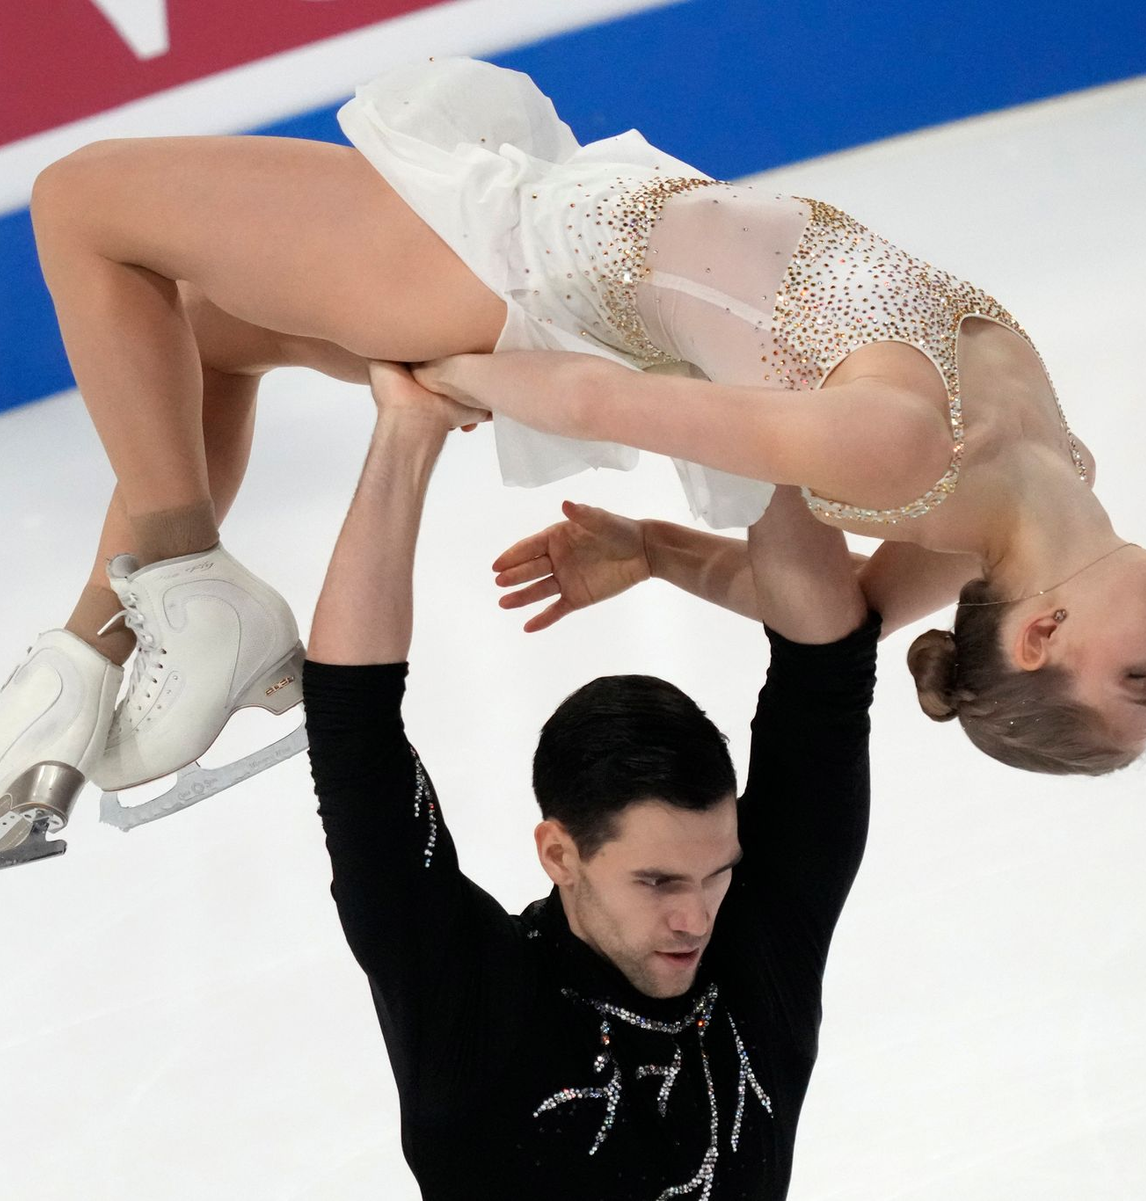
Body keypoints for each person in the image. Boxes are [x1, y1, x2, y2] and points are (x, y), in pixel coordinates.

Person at [0, 55, 1140, 872]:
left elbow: (590, 399)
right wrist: (657, 549)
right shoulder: (1045, 470)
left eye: (1139, 682)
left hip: (519, 258)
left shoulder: (903, 456)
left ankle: (183, 581)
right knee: (193, 341)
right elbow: (844, 619)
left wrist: (433, 382)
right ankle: (81, 664)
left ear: (1039, 638)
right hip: (583, 269)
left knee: (83, 202)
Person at [304, 360, 878, 1200]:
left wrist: (738, 396)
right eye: (656, 880)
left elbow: (827, 658)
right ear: (559, 852)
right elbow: (352, 729)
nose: (696, 916)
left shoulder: (754, 941)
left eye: (717, 873)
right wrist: (408, 427)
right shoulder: (468, 995)